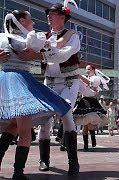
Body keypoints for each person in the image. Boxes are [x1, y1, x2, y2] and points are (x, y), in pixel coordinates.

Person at [0, 10, 72, 180]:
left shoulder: (3, 37)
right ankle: (18, 172)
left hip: (5, 81)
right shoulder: (29, 39)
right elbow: (53, 50)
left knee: (14, 126)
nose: (33, 24)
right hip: (19, 82)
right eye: (30, 20)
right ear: (22, 21)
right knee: (24, 130)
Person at [16, 3, 81, 176]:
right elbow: (24, 47)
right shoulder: (42, 36)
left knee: (66, 113)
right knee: (44, 122)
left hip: (69, 81)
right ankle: (44, 159)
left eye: (52, 14)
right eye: (48, 14)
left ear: (62, 17)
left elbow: (63, 55)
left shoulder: (72, 36)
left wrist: (38, 55)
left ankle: (73, 162)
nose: (48, 17)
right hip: (50, 81)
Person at [73, 65, 110, 151]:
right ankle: (86, 145)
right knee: (85, 124)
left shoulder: (96, 78)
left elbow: (90, 83)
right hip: (84, 101)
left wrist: (79, 76)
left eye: (89, 69)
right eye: (86, 69)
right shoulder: (84, 77)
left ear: (93, 70)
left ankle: (92, 138)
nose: (87, 71)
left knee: (90, 123)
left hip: (92, 101)